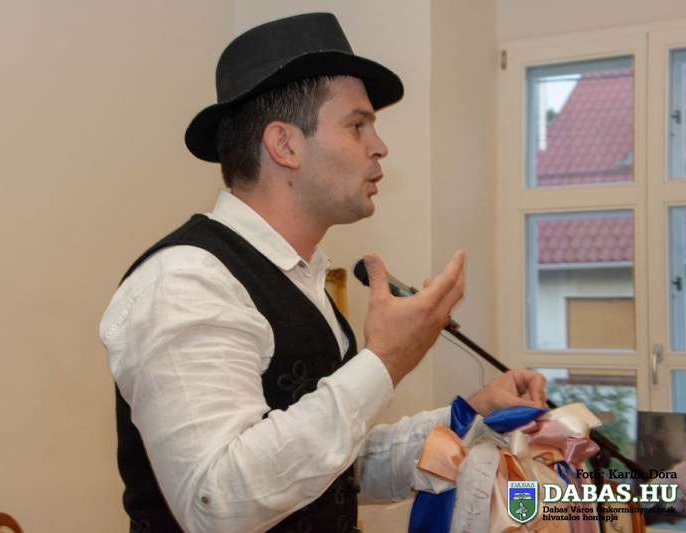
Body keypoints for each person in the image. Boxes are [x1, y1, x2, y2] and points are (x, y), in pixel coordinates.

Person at [100, 12, 547, 533]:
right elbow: (217, 502)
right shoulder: (186, 282)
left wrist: (469, 417)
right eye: (357, 125)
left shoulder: (302, 282)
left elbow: (333, 470)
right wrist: (385, 361)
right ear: (285, 145)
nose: (380, 146)